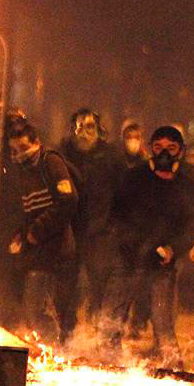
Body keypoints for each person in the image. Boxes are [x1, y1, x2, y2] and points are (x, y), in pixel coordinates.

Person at [98, 126, 194, 366]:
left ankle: (173, 370)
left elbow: (193, 225)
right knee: (112, 319)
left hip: (162, 262)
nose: (164, 154)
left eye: (171, 148)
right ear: (150, 149)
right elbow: (116, 216)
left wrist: (173, 249)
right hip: (129, 258)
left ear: (181, 152)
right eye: (159, 148)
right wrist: (131, 243)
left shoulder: (187, 184)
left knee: (163, 322)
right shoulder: (134, 178)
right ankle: (108, 364)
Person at [7, 121, 79, 343]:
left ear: (36, 143)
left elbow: (68, 201)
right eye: (14, 150)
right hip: (38, 249)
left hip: (55, 248)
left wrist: (37, 231)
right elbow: (29, 208)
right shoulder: (23, 170)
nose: (19, 155)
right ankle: (53, 347)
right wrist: (21, 233)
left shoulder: (50, 162)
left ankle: (53, 349)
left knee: (36, 307)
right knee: (38, 306)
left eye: (23, 148)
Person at [60, 109, 125, 317]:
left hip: (101, 230)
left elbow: (123, 192)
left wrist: (113, 223)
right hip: (70, 229)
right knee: (67, 284)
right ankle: (66, 331)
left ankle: (100, 330)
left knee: (100, 284)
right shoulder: (63, 155)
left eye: (90, 127)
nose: (84, 132)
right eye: (80, 127)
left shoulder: (111, 157)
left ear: (98, 130)